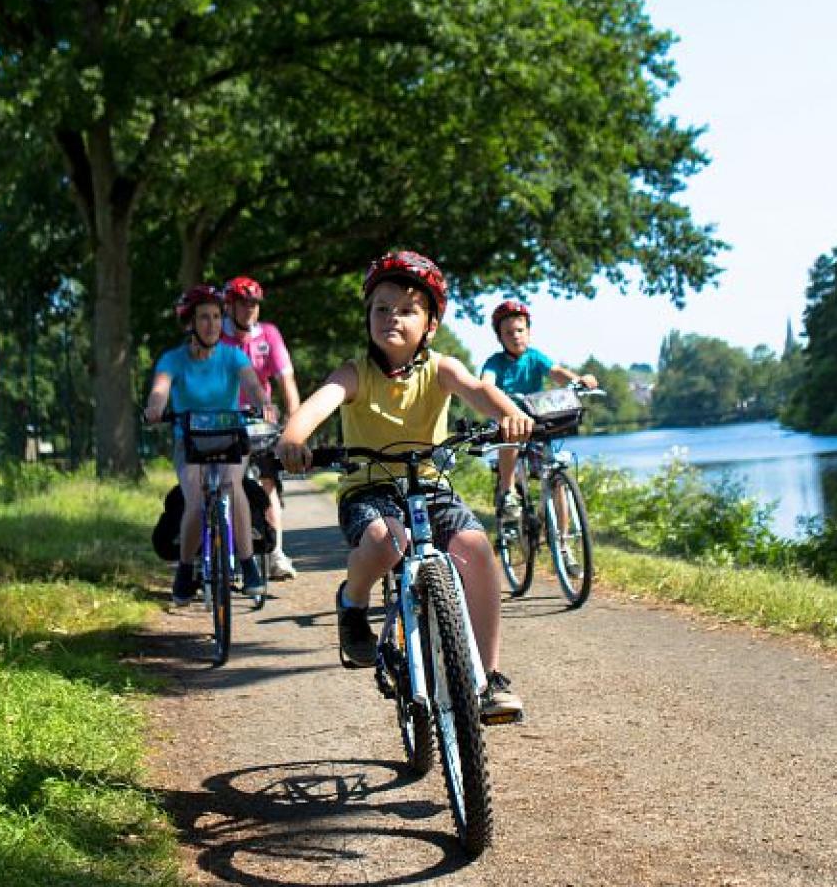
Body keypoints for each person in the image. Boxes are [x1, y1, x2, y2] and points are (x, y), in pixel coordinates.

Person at [277, 250, 534, 722]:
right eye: (381, 307)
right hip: (369, 491)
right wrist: (294, 439)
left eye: (407, 309)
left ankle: (489, 679)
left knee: (476, 547)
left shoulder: (442, 369)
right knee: (386, 543)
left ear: (430, 325)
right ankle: (353, 602)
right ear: (368, 316)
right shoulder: (355, 372)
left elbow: (482, 394)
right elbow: (316, 407)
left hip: (431, 486)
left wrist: (511, 417)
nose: (391, 316)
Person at [144, 286, 272, 605]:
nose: (212, 324)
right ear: (190, 323)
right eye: (204, 317)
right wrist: (155, 408)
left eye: (217, 316)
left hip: (230, 436)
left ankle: (248, 565)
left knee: (232, 484)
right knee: (197, 502)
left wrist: (264, 403)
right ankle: (185, 570)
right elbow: (160, 389)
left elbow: (253, 385)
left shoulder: (232, 356)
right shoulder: (173, 360)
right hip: (188, 440)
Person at [479, 300, 599, 523]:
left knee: (553, 477)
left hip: (536, 421)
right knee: (510, 437)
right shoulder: (495, 362)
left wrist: (579, 380)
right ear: (500, 338)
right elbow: (486, 382)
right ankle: (508, 491)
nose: (515, 336)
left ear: (529, 332)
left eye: (520, 330)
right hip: (508, 419)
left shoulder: (534, 357)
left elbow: (556, 372)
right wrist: (488, 390)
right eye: (508, 332)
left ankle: (563, 543)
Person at [220, 275, 303, 580]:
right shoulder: (217, 336)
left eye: (254, 304)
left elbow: (287, 383)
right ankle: (220, 549)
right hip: (222, 420)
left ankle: (277, 553)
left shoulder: (269, 335)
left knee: (267, 482)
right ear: (229, 305)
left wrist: (296, 424)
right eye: (243, 303)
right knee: (222, 481)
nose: (250, 309)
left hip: (259, 420)